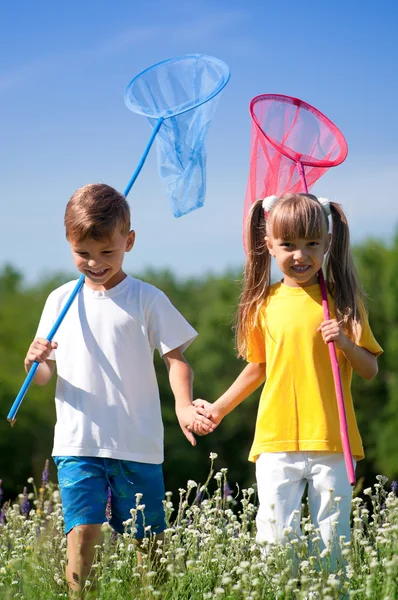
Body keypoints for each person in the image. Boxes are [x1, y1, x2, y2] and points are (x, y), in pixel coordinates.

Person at [24, 183, 213, 596]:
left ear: (129, 241)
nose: (94, 263)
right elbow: (43, 378)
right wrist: (34, 362)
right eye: (83, 253)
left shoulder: (147, 298)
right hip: (77, 440)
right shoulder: (59, 301)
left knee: (149, 540)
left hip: (136, 441)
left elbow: (175, 358)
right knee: (83, 530)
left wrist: (183, 406)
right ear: (69, 243)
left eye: (107, 252)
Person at [191, 192, 382, 564]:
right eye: (289, 244)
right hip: (276, 441)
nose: (300, 255)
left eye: (312, 243)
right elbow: (258, 368)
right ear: (269, 246)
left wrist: (344, 341)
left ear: (328, 242)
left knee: (333, 542)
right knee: (275, 539)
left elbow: (370, 369)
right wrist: (219, 408)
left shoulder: (344, 302)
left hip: (332, 441)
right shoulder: (263, 303)